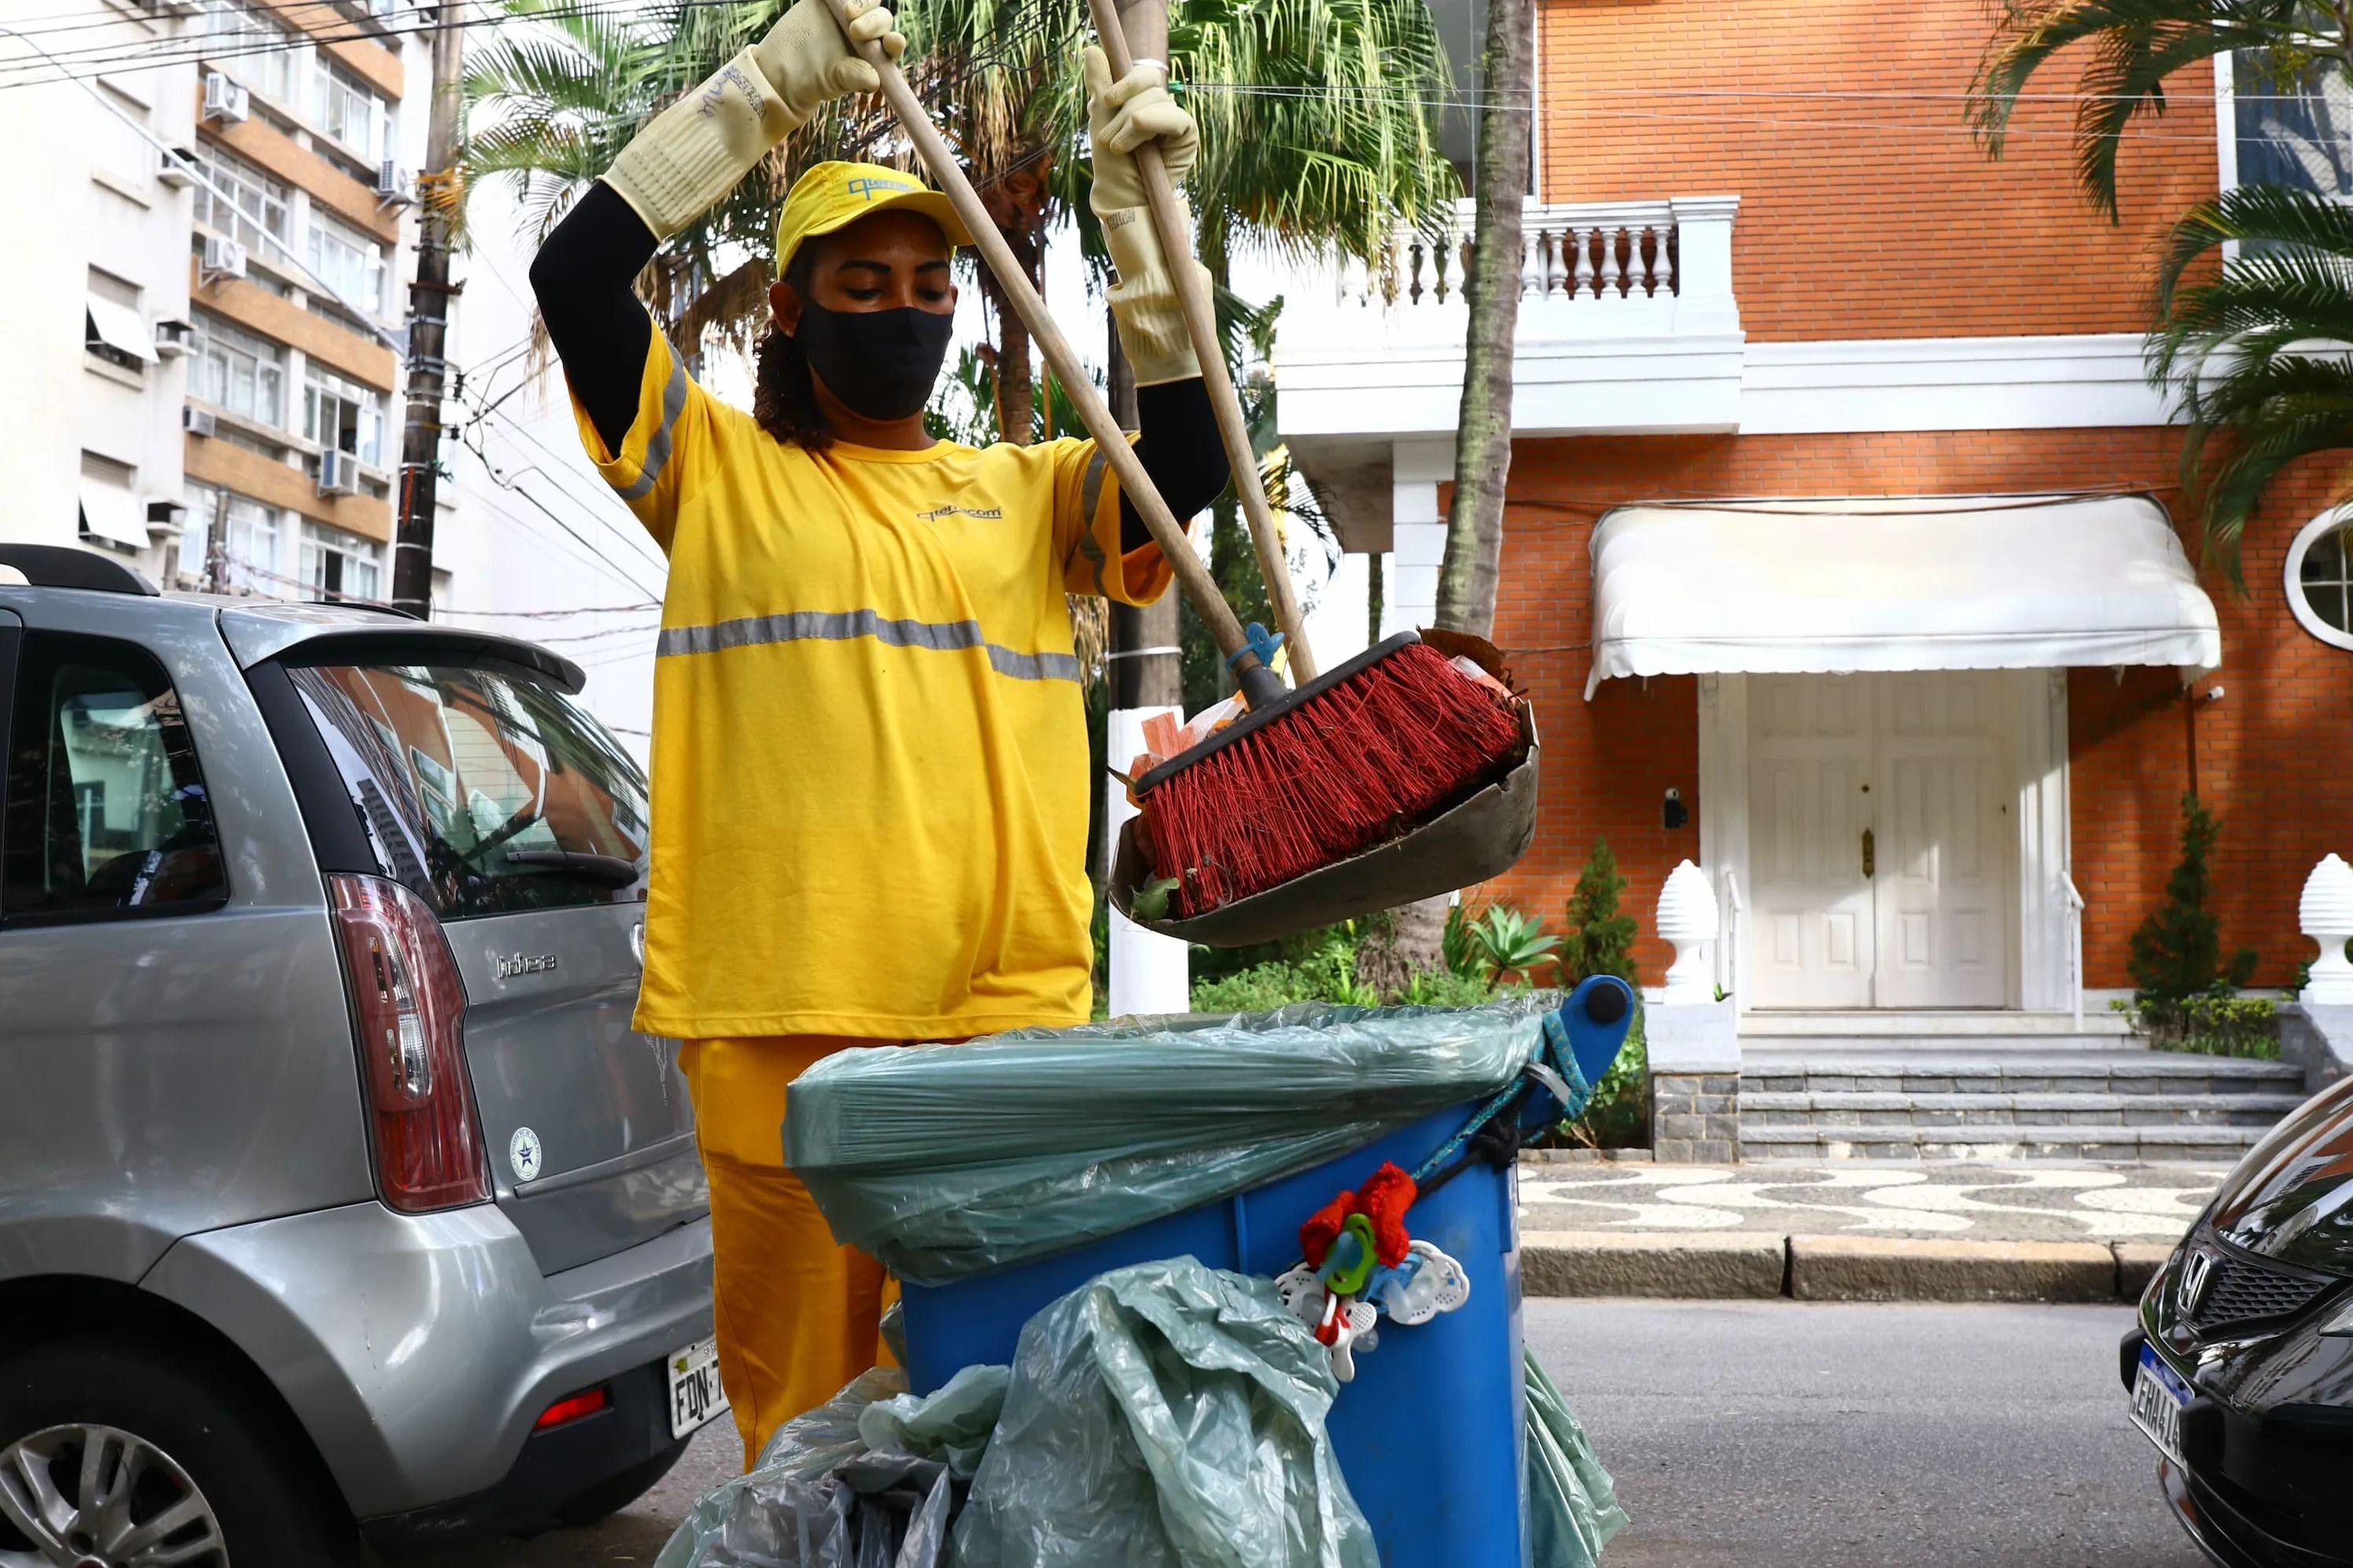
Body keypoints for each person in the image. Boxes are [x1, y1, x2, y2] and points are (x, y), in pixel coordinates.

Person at [528, 0, 1229, 1459]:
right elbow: (577, 270)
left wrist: (1142, 230)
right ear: (789, 306)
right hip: (781, 1031)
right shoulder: (711, 472)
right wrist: (775, 83)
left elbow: (1183, 461)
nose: (905, 305)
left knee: (1006, 1426)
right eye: (863, 280)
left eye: (929, 280)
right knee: (804, 1441)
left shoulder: (1038, 494)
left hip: (997, 1025)